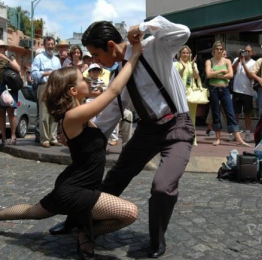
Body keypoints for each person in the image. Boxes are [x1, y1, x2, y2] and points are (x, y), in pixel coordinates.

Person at [49, 15, 194, 259]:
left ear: (110, 46)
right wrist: (76, 138)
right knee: (115, 177)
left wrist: (143, 27)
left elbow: (183, 32)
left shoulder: (152, 46)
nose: (96, 62)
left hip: (177, 127)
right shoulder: (119, 77)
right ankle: (79, 221)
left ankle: (157, 240)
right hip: (147, 131)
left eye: (96, 56)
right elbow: (107, 120)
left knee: (162, 187)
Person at [0, 40, 141, 259]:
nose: (88, 79)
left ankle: (84, 231)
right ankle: (85, 232)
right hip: (75, 189)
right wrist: (134, 56)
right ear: (74, 90)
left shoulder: (78, 112)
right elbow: (113, 90)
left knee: (34, 211)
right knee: (129, 213)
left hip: (81, 184)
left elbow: (103, 92)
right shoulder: (74, 116)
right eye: (83, 79)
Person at [205, 41, 250, 147]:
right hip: (213, 90)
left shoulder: (227, 61)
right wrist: (222, 71)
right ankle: (218, 139)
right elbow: (208, 74)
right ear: (214, 50)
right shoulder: (209, 61)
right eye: (217, 48)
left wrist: (216, 74)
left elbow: (230, 75)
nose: (219, 50)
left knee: (230, 113)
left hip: (225, 90)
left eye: (221, 49)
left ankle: (239, 139)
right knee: (215, 113)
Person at [31, 36, 62, 148]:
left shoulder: (57, 60)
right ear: (44, 45)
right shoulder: (39, 58)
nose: (50, 46)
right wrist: (47, 73)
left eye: (52, 44)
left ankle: (53, 138)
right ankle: (44, 139)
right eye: (48, 44)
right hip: (43, 85)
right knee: (44, 114)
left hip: (55, 87)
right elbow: (33, 74)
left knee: (54, 113)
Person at [174, 45, 199, 145]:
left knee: (191, 116)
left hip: (191, 93)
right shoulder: (176, 64)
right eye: (183, 52)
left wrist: (192, 66)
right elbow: (176, 77)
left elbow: (196, 77)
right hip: (180, 92)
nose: (185, 54)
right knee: (180, 115)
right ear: (180, 54)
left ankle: (193, 138)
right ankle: (179, 137)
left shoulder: (193, 64)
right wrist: (183, 68)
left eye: (187, 53)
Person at [232, 45, 255, 142]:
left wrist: (244, 64)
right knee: (235, 113)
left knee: (247, 114)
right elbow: (232, 70)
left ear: (252, 53)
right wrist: (239, 60)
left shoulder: (254, 63)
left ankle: (247, 134)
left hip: (248, 91)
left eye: (248, 51)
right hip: (236, 90)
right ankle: (235, 134)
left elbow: (250, 76)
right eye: (245, 51)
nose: (246, 53)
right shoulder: (237, 59)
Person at [0, 40, 21, 146]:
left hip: (9, 87)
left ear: (4, 48)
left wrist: (5, 59)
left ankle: (13, 136)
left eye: (1, 47)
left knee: (11, 112)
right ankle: (3, 137)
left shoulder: (10, 57)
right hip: (0, 86)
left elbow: (18, 68)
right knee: (1, 114)